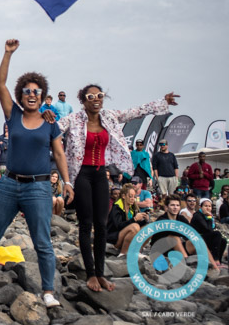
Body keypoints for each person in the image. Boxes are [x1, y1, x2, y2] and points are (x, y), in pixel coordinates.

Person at [0, 39, 73, 309]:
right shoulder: (13, 115)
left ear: (42, 94)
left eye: (36, 91)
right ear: (21, 95)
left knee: (42, 242)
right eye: (26, 91)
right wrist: (7, 54)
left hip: (38, 187)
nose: (31, 94)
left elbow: (58, 154)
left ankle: (48, 291)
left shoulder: (51, 123)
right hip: (9, 184)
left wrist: (67, 181)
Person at [57, 85, 176, 292]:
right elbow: (52, 128)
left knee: (101, 224)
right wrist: (47, 115)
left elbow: (136, 111)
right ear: (83, 101)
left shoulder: (109, 117)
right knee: (86, 224)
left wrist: (162, 102)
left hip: (101, 174)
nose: (96, 99)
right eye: (91, 96)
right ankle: (91, 274)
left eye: (100, 96)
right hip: (82, 175)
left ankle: (101, 273)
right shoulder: (74, 120)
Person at [106, 183, 150, 257]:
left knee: (148, 228)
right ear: (123, 196)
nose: (133, 199)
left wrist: (145, 220)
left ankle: (137, 251)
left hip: (123, 235)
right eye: (130, 196)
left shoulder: (131, 208)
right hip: (113, 238)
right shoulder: (117, 207)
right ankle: (123, 254)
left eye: (134, 196)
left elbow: (134, 224)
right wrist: (135, 219)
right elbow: (118, 225)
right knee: (134, 227)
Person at [149, 196, 190, 263]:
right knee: (174, 238)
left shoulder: (181, 218)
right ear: (166, 207)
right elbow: (173, 231)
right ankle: (186, 261)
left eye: (177, 205)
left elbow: (190, 231)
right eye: (172, 205)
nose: (175, 207)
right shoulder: (162, 220)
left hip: (177, 248)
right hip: (161, 250)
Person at [188, 199, 227, 270]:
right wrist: (209, 218)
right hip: (195, 239)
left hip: (204, 237)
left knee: (223, 241)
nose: (208, 208)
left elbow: (211, 229)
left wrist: (210, 218)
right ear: (200, 207)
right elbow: (208, 229)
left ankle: (219, 261)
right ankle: (215, 259)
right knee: (217, 234)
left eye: (209, 206)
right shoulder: (198, 215)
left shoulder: (208, 216)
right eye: (205, 206)